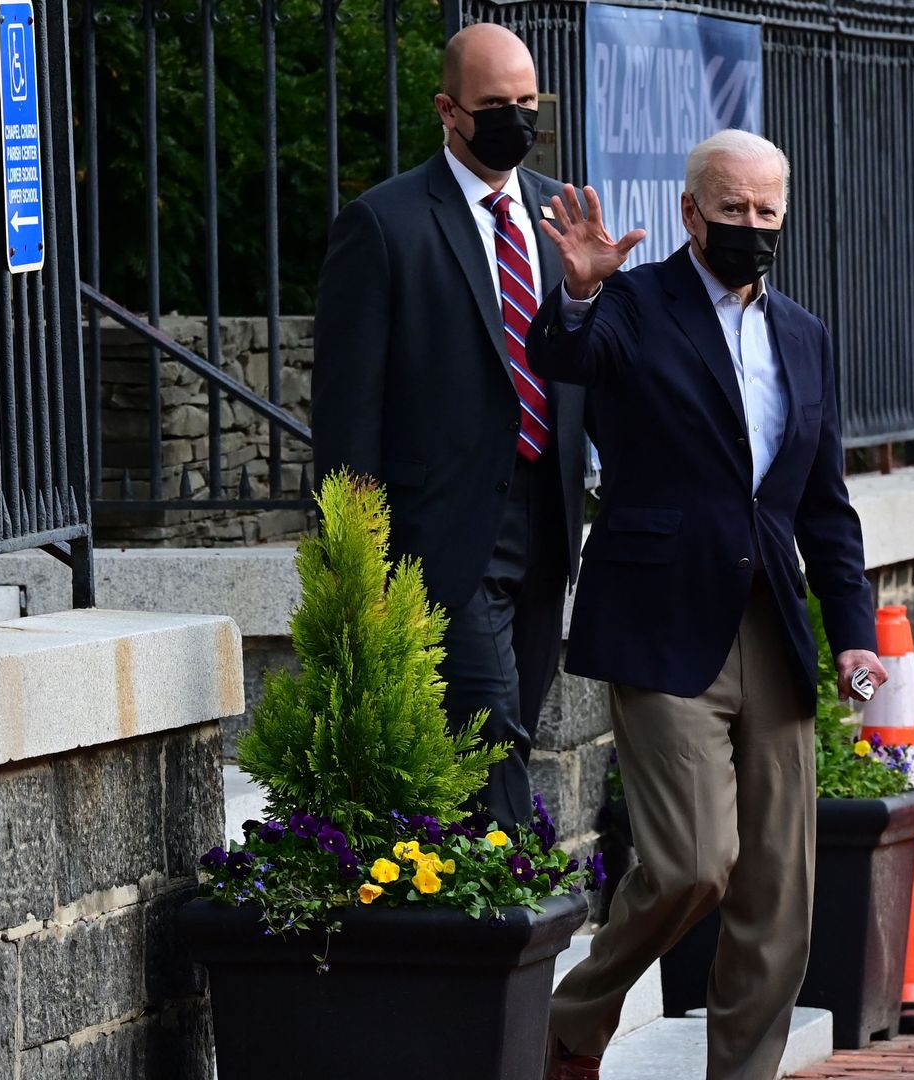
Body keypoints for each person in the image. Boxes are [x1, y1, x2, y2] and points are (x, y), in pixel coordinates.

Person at [529, 129, 884, 1080]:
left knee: (779, 897)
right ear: (691, 212)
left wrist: (853, 635)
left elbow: (824, 505)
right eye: (732, 208)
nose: (751, 226)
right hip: (661, 622)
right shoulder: (635, 304)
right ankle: (575, 1017)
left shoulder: (804, 335)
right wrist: (580, 291)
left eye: (767, 211)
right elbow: (567, 355)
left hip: (772, 626)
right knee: (693, 863)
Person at [312, 23, 587, 828]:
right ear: (447, 109)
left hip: (546, 519)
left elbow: (588, 371)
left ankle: (466, 882)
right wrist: (354, 554)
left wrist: (586, 299)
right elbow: (348, 408)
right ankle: (513, 890)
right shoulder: (384, 223)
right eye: (495, 104)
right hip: (442, 531)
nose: (516, 119)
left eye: (527, 102)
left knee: (513, 727)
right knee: (488, 727)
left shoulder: (559, 215)